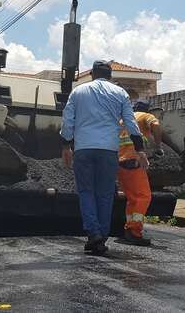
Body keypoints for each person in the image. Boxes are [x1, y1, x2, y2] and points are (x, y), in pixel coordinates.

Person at [60, 61, 148, 255]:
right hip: (109, 150)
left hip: (83, 149)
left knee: (86, 191)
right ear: (109, 75)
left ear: (92, 74)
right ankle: (102, 234)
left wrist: (66, 146)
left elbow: (68, 121)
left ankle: (94, 234)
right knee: (105, 193)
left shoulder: (78, 92)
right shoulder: (120, 93)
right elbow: (131, 123)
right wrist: (140, 149)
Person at [117, 100, 164, 246]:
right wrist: (158, 146)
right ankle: (134, 231)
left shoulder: (122, 120)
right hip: (134, 161)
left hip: (120, 163)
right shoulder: (146, 116)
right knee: (144, 197)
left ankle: (129, 229)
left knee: (132, 199)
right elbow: (156, 126)